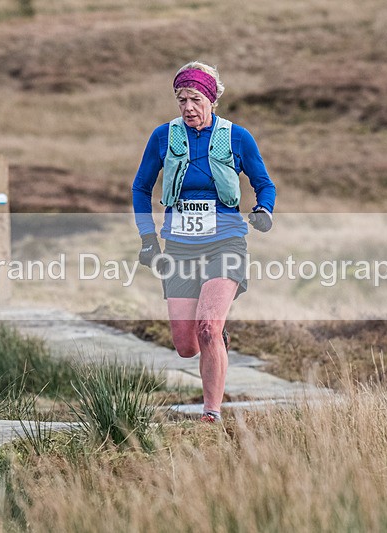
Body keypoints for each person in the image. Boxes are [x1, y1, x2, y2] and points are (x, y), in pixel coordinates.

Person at [132, 61, 276, 423]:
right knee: (186, 346)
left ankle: (211, 413)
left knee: (207, 326)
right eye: (181, 99)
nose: (188, 107)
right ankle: (218, 338)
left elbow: (265, 183)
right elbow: (140, 188)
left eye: (195, 98)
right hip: (179, 247)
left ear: (211, 100)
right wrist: (148, 238)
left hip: (225, 243)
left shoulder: (237, 137)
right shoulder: (163, 137)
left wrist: (264, 209)